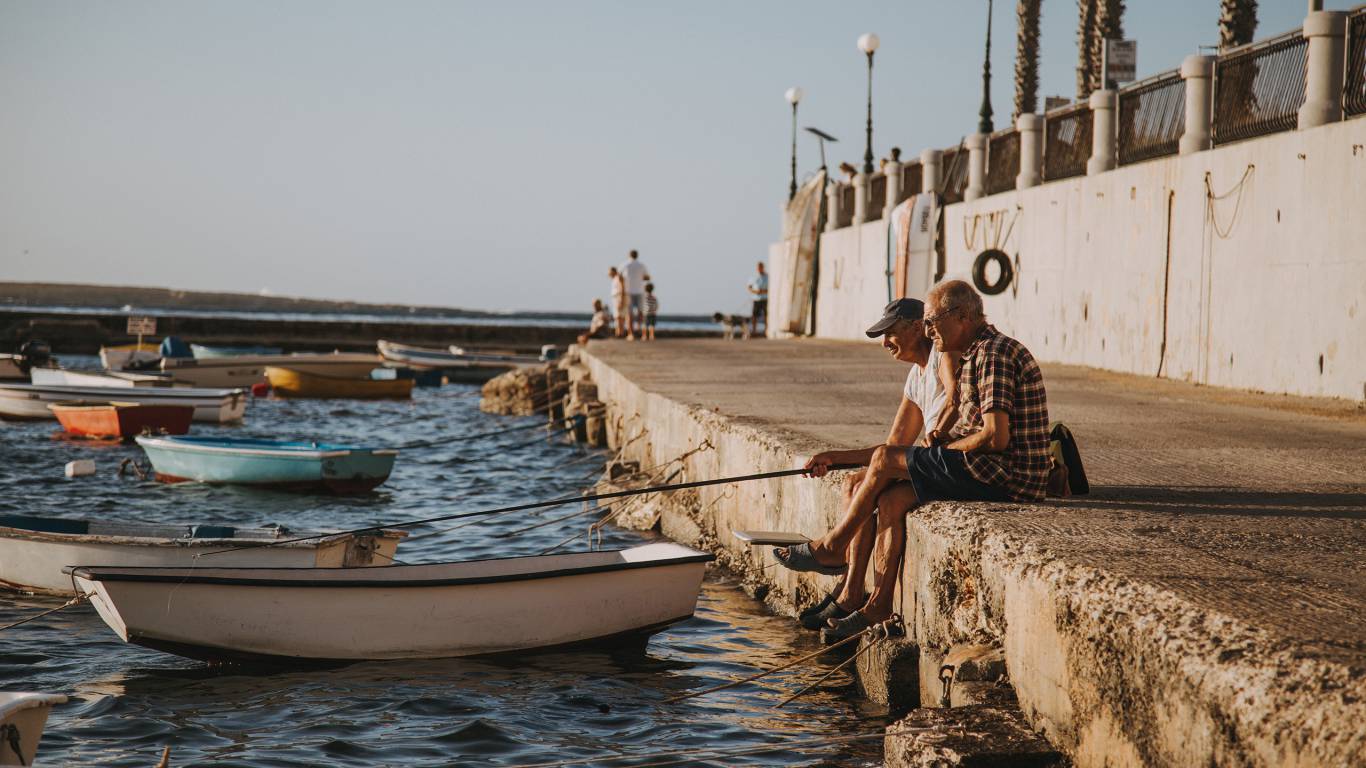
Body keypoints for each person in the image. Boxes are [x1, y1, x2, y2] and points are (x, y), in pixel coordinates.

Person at [775, 280, 1051, 638]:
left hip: (1006, 475)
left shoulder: (992, 355)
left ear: (963, 317)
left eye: (933, 321)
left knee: (886, 462)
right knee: (891, 497)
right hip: (990, 468)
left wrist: (940, 450)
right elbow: (937, 433)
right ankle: (877, 604)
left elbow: (996, 437)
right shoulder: (975, 353)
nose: (929, 329)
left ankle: (833, 546)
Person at [770, 298, 946, 634]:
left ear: (914, 327)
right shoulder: (916, 376)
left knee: (884, 496)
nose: (884, 342)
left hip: (945, 461)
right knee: (854, 483)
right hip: (926, 460)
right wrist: (836, 458)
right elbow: (895, 444)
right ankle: (851, 593)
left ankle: (835, 549)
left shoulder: (942, 361)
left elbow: (902, 449)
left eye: (890, 333)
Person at [619, 250, 651, 340]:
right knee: (641, 313)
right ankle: (640, 330)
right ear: (637, 255)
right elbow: (647, 277)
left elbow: (619, 276)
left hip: (628, 291)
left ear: (629, 255)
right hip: (640, 291)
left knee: (629, 314)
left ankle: (631, 334)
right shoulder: (641, 265)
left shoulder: (625, 265)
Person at [747, 262, 768, 338]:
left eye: (761, 267)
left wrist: (763, 291)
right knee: (754, 316)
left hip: (765, 298)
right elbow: (749, 287)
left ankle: (766, 331)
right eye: (758, 267)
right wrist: (755, 292)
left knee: (766, 315)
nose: (760, 269)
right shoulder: (753, 277)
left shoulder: (767, 277)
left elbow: (771, 287)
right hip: (756, 299)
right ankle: (754, 331)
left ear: (763, 267)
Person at [608, 267, 627, 338]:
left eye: (609, 272)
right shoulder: (615, 278)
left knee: (619, 316)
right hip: (617, 298)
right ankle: (618, 332)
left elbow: (622, 288)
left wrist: (621, 300)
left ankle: (620, 333)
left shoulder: (619, 277)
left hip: (618, 298)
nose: (608, 274)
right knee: (618, 316)